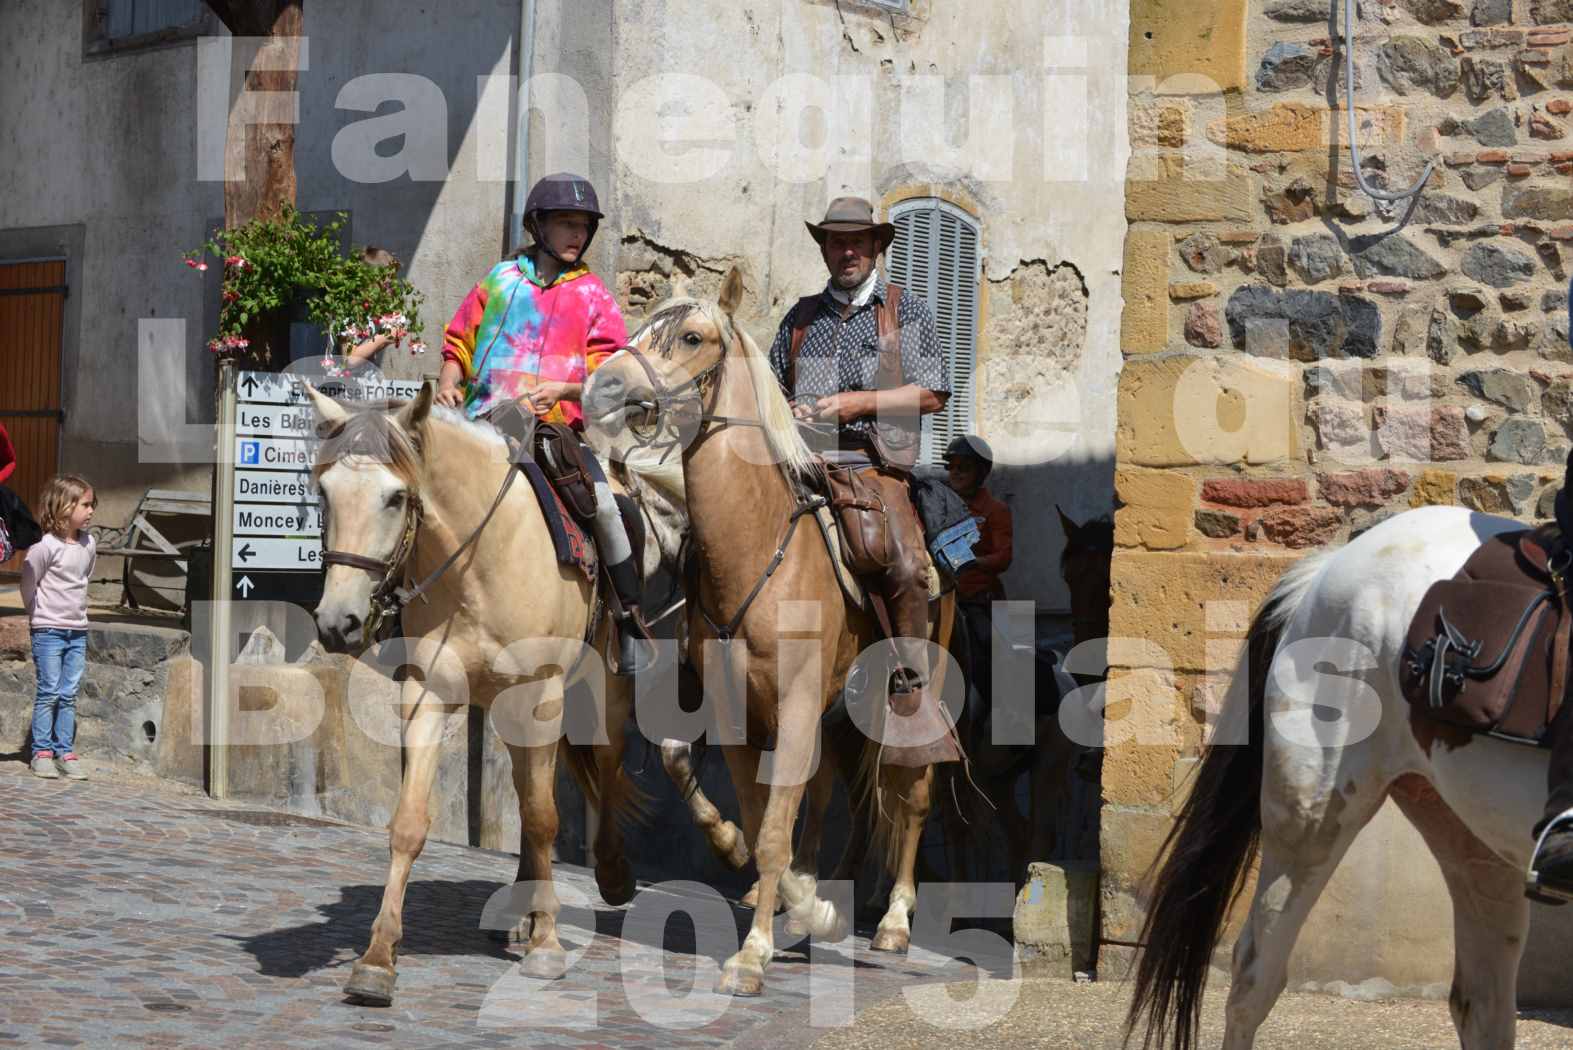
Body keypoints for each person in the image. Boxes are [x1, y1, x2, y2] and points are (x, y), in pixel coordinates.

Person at [437, 173, 655, 675]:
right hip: (478, 424)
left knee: (607, 506)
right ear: (539, 226)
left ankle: (628, 623)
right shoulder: (498, 280)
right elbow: (459, 345)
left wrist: (563, 391)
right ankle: (396, 612)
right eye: (566, 225)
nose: (577, 235)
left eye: (583, 227)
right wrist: (450, 379)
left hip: (551, 433)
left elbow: (613, 378)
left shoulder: (594, 296)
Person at [767, 196, 957, 767]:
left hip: (875, 466)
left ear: (877, 246)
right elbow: (772, 389)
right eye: (835, 241)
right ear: (824, 248)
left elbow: (933, 391)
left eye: (857, 241)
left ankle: (909, 691)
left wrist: (859, 403)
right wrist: (789, 414)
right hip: (803, 465)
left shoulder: (906, 311)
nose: (846, 250)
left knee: (901, 559)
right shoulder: (800, 318)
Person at [21, 474, 97, 781]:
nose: (91, 511)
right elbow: (29, 581)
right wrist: (36, 613)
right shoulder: (45, 547)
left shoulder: (89, 543)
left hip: (77, 631)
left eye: (93, 504)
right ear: (64, 506)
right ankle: (41, 752)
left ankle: (65, 750)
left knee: (69, 693)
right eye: (86, 504)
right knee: (49, 691)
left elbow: (84, 577)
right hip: (48, 631)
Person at [341, 248, 407, 370]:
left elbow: (365, 350)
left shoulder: (368, 313)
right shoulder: (352, 312)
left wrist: (386, 338)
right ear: (369, 282)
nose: (392, 288)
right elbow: (350, 360)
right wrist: (383, 337)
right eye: (387, 282)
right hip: (343, 386)